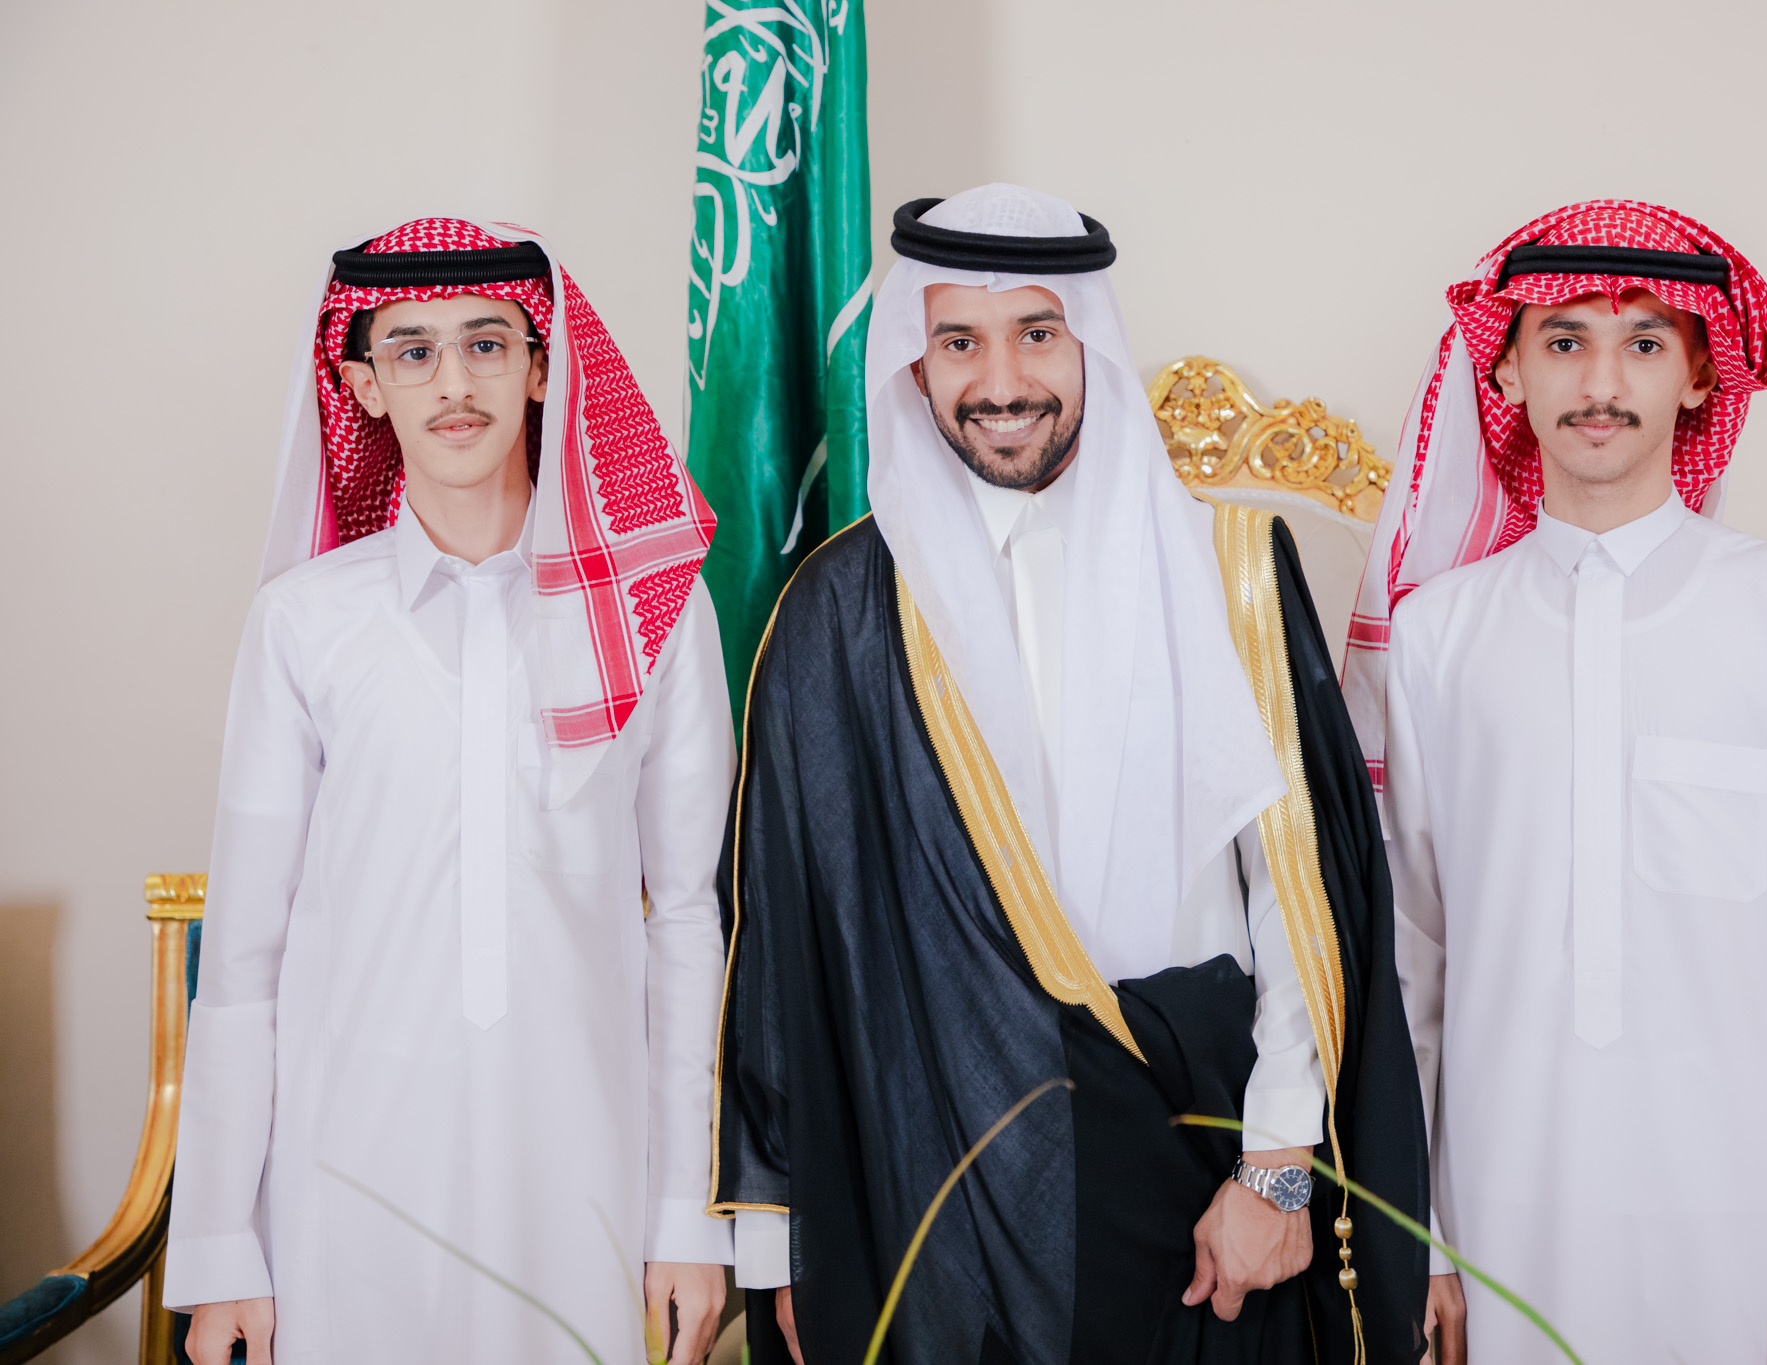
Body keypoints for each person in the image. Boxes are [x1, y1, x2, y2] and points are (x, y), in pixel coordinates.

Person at [711, 184, 1429, 1365]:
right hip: (937, 1171)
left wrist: (1276, 1166)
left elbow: (1299, 898)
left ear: (1089, 341)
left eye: (1035, 333)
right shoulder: (838, 610)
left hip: (1207, 1158)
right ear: (914, 366)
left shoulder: (1231, 569)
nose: (1001, 381)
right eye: (959, 342)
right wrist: (782, 1240)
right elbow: (783, 941)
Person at [1344, 201, 1767, 1364]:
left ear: (1700, 376)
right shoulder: (1438, 637)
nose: (1599, 382)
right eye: (1563, 340)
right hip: (1499, 1233)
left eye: (1643, 342)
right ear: (1505, 369)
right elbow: (1409, 963)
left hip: (1757, 1246)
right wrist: (1415, 1242)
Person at [164, 219, 735, 1364]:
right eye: (412, 351)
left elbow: (684, 921)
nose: (454, 384)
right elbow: (242, 959)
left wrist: (684, 1216)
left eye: (485, 343)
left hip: (580, 1175)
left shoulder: (651, 614)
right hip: (343, 1186)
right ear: (363, 386)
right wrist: (222, 1243)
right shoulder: (303, 622)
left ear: (540, 368)